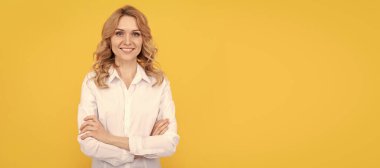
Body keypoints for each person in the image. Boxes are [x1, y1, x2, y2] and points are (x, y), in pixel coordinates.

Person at [77, 5, 179, 168]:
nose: (127, 41)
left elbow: (169, 143)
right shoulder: (93, 82)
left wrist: (107, 138)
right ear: (109, 39)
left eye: (135, 34)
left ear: (143, 39)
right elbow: (88, 143)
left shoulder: (159, 83)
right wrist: (145, 146)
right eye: (119, 33)